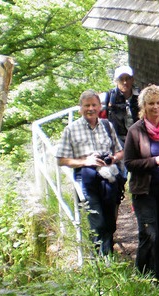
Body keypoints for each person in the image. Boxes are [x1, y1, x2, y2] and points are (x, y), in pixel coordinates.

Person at [123, 85, 159, 279]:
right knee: (149, 234)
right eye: (151, 104)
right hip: (145, 190)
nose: (156, 107)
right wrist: (154, 161)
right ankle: (141, 277)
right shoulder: (135, 131)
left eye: (158, 103)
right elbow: (129, 163)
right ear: (144, 106)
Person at [56, 90, 124, 256]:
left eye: (94, 105)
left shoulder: (107, 126)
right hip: (85, 178)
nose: (91, 108)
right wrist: (86, 161)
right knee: (96, 219)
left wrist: (112, 159)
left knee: (109, 219)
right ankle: (97, 260)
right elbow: (61, 159)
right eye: (87, 105)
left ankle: (107, 257)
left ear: (99, 107)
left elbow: (121, 152)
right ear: (80, 108)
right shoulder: (71, 130)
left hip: (108, 177)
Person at [105, 65, 140, 145]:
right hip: (117, 139)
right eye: (121, 79)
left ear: (132, 80)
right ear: (116, 81)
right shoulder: (110, 96)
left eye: (127, 78)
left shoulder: (140, 95)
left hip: (138, 137)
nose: (125, 82)